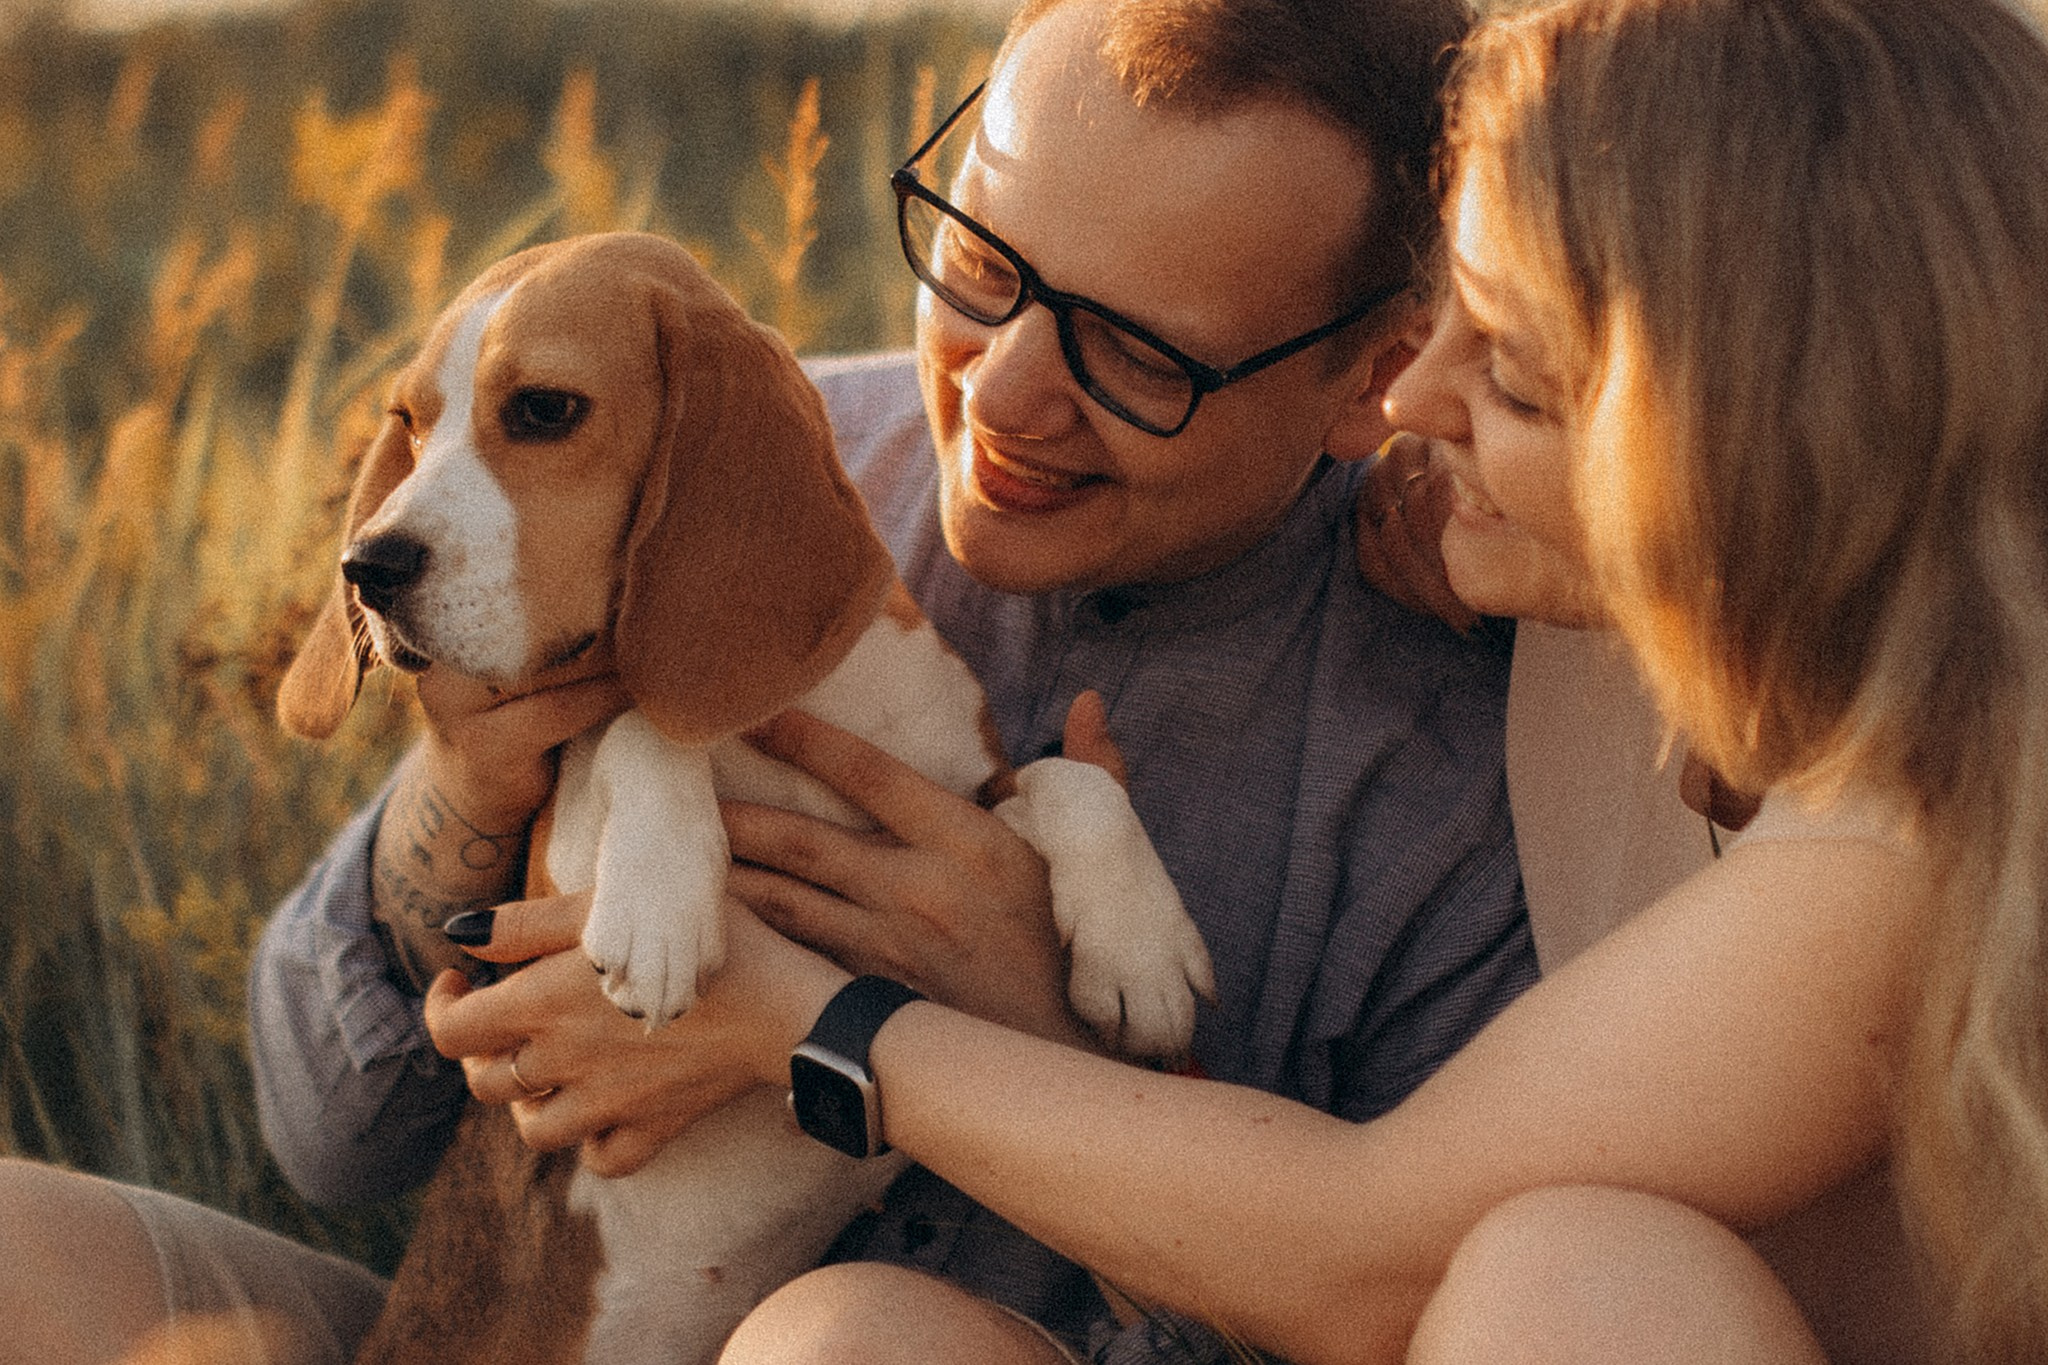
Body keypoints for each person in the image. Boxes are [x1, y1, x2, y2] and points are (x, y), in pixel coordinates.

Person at [446, 0, 2042, 1359]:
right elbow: (351, 1093)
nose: (1414, 401)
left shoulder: (1896, 838)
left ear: (1748, 445)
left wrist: (813, 1015)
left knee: (1576, 1274)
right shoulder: (1545, 599)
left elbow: (1375, 1252)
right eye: (1443, 335)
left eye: (1520, 377)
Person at [202, 0, 1528, 1362]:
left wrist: (998, 1043)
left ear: (1376, 379)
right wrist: (475, 786)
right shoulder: (737, 456)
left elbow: (1386, 1322)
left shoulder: (1455, 780)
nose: (1004, 395)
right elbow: (330, 1129)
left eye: (1141, 354)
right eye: (980, 260)